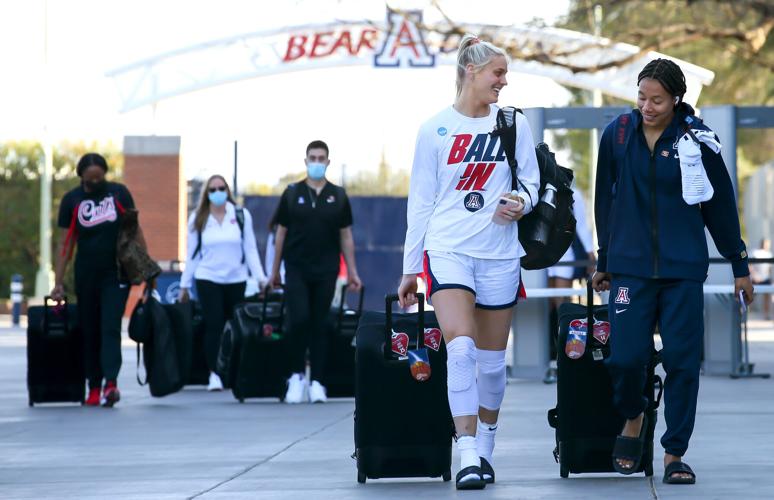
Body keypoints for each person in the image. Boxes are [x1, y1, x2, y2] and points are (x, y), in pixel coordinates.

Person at [592, 58, 754, 485]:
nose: (647, 105)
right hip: (629, 269)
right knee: (626, 358)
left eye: (657, 100)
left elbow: (719, 206)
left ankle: (674, 453)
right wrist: (604, 260)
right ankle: (635, 413)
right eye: (642, 97)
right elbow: (604, 201)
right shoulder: (618, 134)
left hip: (683, 269)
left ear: (677, 99)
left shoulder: (698, 139)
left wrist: (739, 263)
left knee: (682, 363)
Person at [397, 34, 540, 490]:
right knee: (459, 346)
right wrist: (409, 267)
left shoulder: (514, 124)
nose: (504, 81)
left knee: (493, 364)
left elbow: (535, 185)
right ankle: (466, 453)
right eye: (498, 73)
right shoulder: (433, 129)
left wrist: (521, 201)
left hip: (500, 253)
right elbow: (420, 202)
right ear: (471, 72)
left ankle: (488, 444)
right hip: (448, 250)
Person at [267, 140, 362, 404]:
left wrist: (353, 271)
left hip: (326, 269)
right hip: (296, 267)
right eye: (313, 158)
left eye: (321, 158)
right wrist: (274, 272)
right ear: (306, 161)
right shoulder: (292, 192)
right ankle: (296, 377)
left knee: (320, 323)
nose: (317, 162)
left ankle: (318, 381)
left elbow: (346, 236)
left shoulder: (338, 195)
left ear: (327, 162)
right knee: (299, 320)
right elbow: (280, 234)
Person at [52, 152, 145, 407]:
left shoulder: (118, 194)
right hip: (85, 274)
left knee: (110, 327)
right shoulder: (72, 200)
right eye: (90, 178)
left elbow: (134, 230)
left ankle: (111, 384)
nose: (95, 182)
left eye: (99, 177)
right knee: (89, 330)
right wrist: (58, 281)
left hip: (115, 273)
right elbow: (66, 242)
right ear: (80, 176)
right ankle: (93, 386)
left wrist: (146, 270)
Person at [179, 175, 267, 391]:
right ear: (207, 193)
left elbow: (250, 249)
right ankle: (214, 374)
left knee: (236, 325)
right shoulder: (198, 219)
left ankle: (234, 371)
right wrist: (184, 284)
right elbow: (193, 255)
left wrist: (261, 278)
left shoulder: (240, 215)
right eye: (212, 189)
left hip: (236, 278)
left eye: (221, 188)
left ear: (227, 190)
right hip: (208, 277)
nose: (217, 192)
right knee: (214, 325)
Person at [544, 188, 595, 383]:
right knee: (547, 306)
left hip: (562, 252)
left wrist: (591, 253)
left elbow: (580, 223)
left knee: (561, 305)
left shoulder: (572, 191)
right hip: (539, 252)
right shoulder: (537, 185)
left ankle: (563, 354)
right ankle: (552, 353)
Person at [749, 238, 772, 319]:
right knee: (750, 295)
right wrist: (755, 276)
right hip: (756, 279)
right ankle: (748, 312)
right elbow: (750, 266)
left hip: (765, 279)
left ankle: (766, 314)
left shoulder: (769, 254)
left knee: (767, 296)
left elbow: (769, 269)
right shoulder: (755, 253)